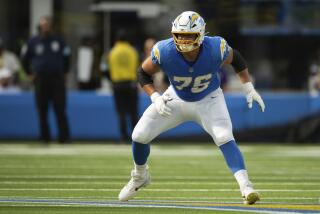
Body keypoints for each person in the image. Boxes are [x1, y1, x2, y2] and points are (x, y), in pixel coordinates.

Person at [118, 11, 265, 205]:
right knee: (139, 135)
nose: (184, 40)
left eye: (189, 35)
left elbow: (235, 58)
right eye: (180, 35)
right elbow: (143, 73)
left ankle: (246, 187)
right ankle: (140, 176)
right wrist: (155, 96)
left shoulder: (215, 47)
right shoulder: (164, 50)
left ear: (201, 35)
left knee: (224, 136)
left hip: (209, 99)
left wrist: (248, 87)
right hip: (176, 98)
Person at [21, 16, 71, 144]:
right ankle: (44, 137)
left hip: (57, 78)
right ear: (40, 26)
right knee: (42, 109)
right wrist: (29, 73)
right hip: (40, 78)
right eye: (43, 25)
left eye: (47, 25)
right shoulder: (33, 42)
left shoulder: (59, 41)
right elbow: (24, 59)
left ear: (51, 26)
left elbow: (67, 56)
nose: (45, 27)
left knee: (60, 108)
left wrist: (66, 72)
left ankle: (64, 137)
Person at [104, 30, 139, 142]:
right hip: (131, 84)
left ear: (116, 39)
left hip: (117, 85)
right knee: (133, 112)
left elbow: (105, 68)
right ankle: (137, 137)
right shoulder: (133, 51)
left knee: (121, 112)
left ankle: (123, 137)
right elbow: (138, 67)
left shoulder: (112, 52)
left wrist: (111, 79)